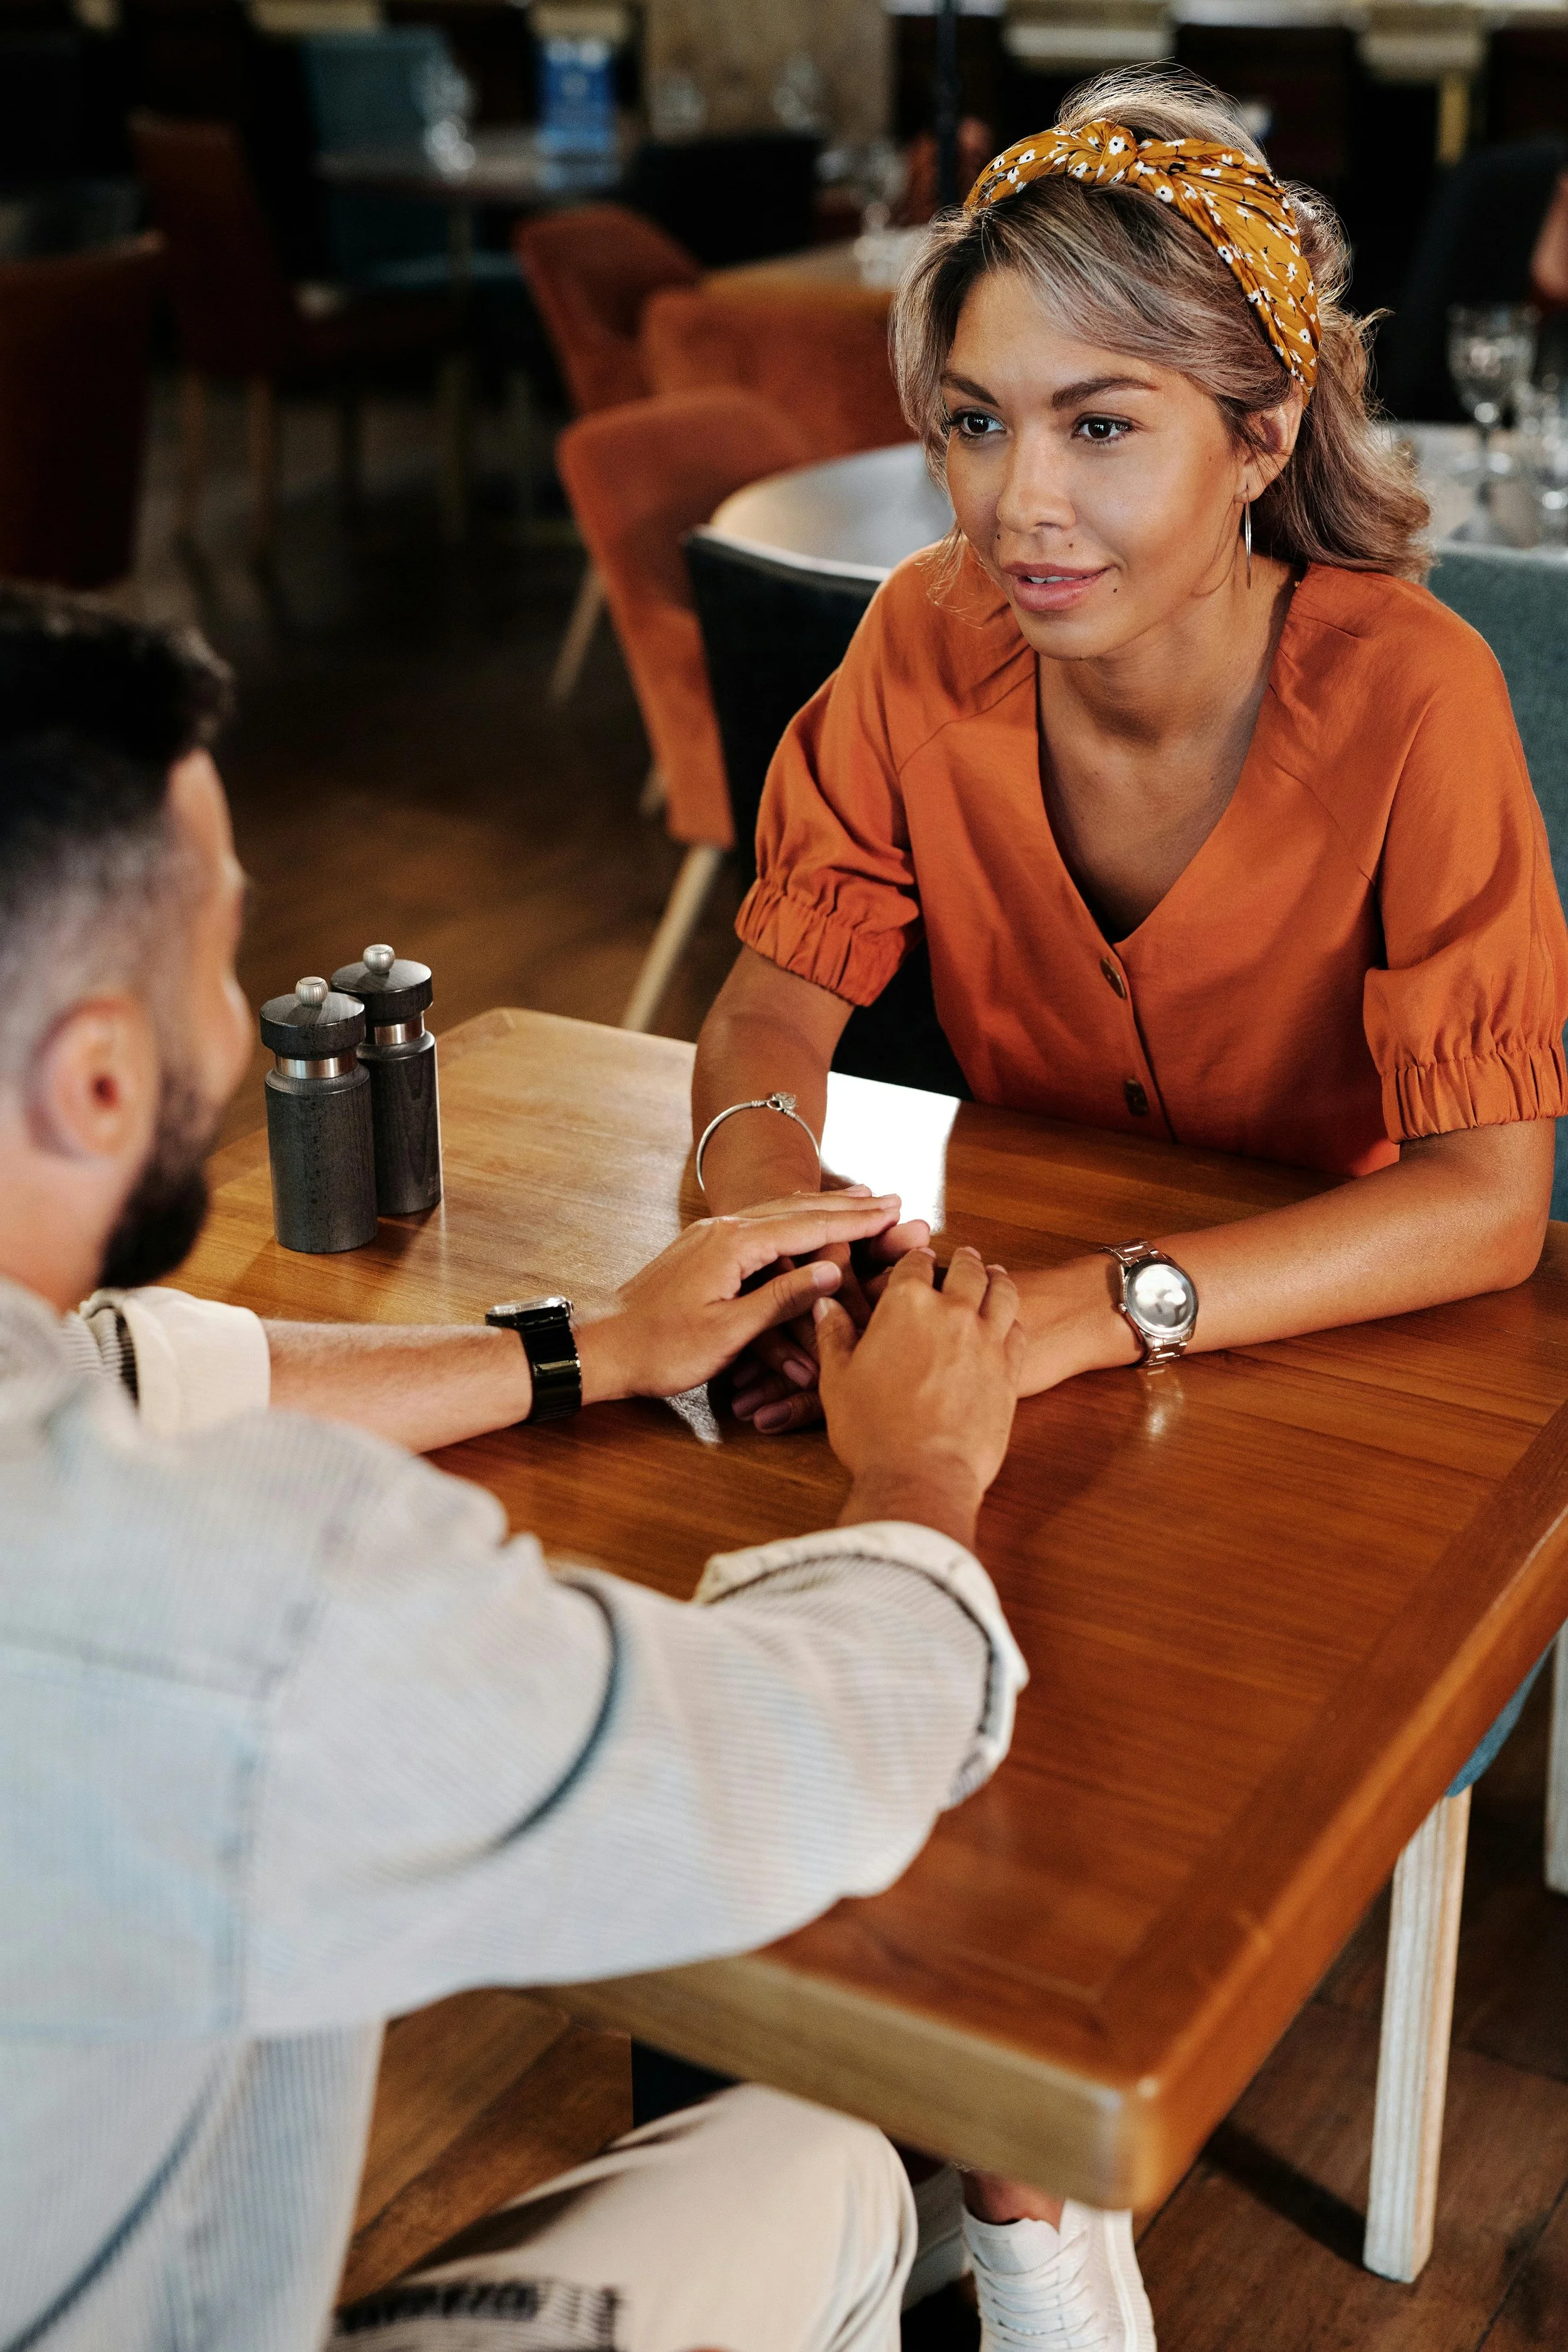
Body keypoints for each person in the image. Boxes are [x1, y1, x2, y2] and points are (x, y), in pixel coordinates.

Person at [689, 60, 1568, 2352]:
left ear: (1260, 434)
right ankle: (940, 2166)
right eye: (974, 424)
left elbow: (1489, 1205)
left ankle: (1005, 2198)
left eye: (1102, 425)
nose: (1015, 504)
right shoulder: (913, 647)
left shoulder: (1419, 692)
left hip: (1335, 1358)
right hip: (1017, 1317)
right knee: (810, 1582)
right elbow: (764, 1012)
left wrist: (1096, 1308)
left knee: (976, 1650)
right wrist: (771, 1224)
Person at [0, 582, 1032, 2352]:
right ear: (97, 1081)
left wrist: (588, 1347)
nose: (246, 1036)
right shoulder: (241, 1601)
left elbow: (110, 1374)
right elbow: (801, 1767)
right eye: (220, 972)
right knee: (827, 2172)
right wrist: (921, 1471)